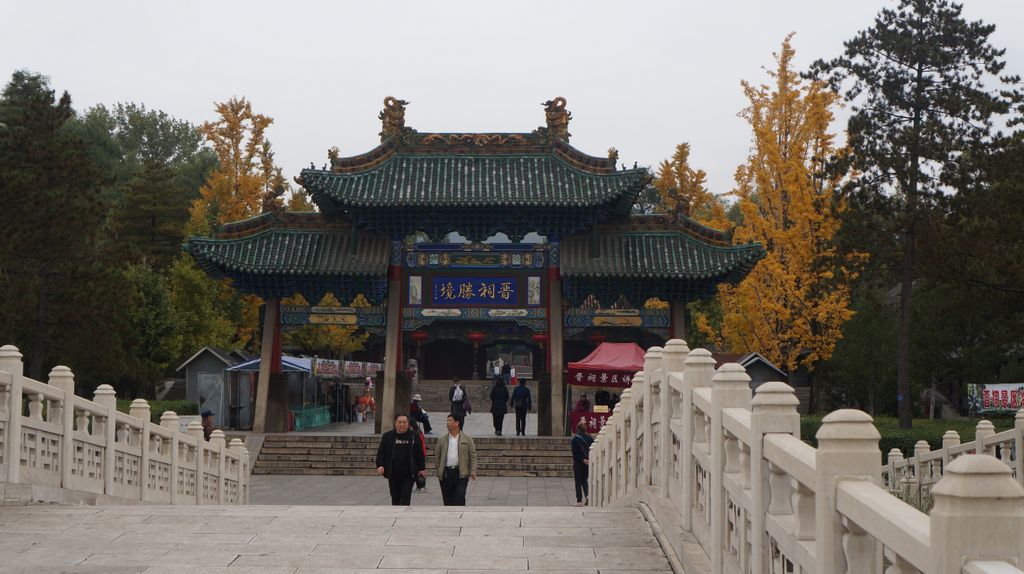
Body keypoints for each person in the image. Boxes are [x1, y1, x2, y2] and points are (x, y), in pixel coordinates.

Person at [375, 413, 427, 506]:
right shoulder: (388, 436)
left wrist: (422, 469)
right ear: (395, 423)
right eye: (400, 422)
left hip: (409, 474)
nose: (402, 424)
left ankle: (404, 517)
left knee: (405, 497)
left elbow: (420, 454)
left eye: (404, 422)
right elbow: (381, 452)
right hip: (393, 473)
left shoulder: (414, 436)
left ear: (408, 423)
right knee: (395, 499)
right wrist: (380, 465)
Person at [434, 413, 478, 506]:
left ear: (457, 423)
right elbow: (437, 457)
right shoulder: (442, 439)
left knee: (460, 496)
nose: (447, 423)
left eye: (450, 420)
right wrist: (439, 471)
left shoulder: (467, 439)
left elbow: (473, 456)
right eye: (447, 421)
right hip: (446, 474)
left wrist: (473, 470)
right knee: (448, 500)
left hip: (461, 473)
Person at [571, 420, 594, 506]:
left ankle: (579, 501)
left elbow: (575, 453)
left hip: (578, 463)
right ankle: (587, 496)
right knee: (584, 480)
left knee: (578, 482)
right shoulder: (590, 438)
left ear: (577, 429)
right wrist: (588, 459)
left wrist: (582, 459)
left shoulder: (575, 439)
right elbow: (592, 449)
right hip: (587, 463)